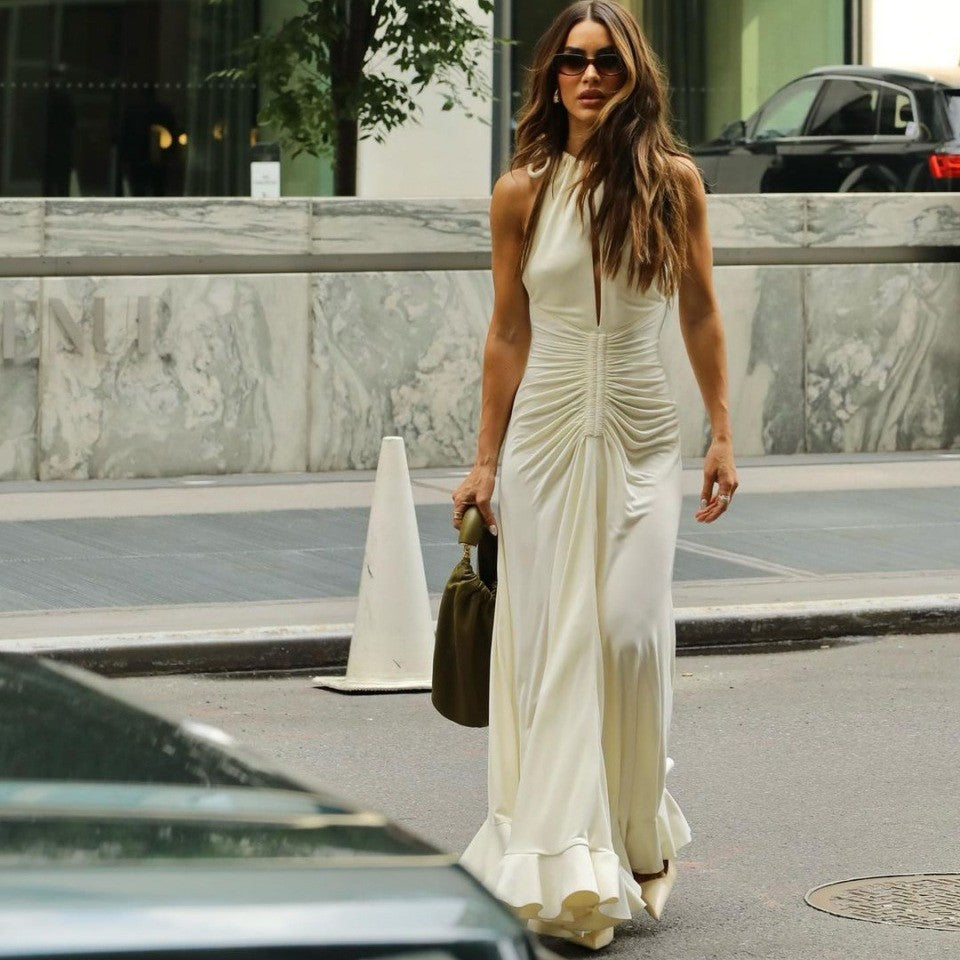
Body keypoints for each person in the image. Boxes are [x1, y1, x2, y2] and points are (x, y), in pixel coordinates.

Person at [452, 0, 738, 949]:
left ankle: (636, 828)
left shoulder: (674, 183)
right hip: (543, 438)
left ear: (632, 72)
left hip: (644, 431)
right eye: (572, 62)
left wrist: (722, 435)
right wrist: (485, 460)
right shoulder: (521, 191)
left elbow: (699, 311)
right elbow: (507, 331)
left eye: (606, 61)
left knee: (626, 635)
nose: (588, 76)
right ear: (551, 77)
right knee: (557, 647)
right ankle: (572, 863)